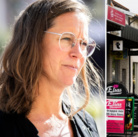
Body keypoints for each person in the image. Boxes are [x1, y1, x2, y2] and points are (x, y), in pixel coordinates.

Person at [0, 0, 102, 136]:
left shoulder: (87, 124)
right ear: (33, 43)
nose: (78, 54)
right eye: (66, 39)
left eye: (83, 43)